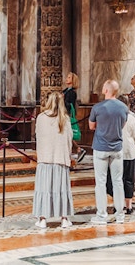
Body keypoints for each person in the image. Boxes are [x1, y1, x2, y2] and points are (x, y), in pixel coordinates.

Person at [89, 79, 128, 225]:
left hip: (100, 147)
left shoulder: (98, 107)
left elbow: (91, 126)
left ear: (106, 90)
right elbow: (123, 125)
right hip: (117, 147)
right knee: (118, 182)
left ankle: (102, 215)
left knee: (101, 182)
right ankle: (120, 215)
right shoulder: (124, 107)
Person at [32, 92, 74, 229]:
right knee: (61, 189)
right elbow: (69, 140)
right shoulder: (65, 119)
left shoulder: (41, 118)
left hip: (45, 158)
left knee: (44, 189)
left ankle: (43, 219)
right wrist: (68, 155)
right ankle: (64, 219)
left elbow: (38, 137)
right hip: (60, 159)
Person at [107, 95, 135, 215]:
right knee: (128, 179)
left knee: (116, 179)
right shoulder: (131, 118)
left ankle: (117, 205)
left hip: (116, 150)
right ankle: (128, 206)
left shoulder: (112, 116)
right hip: (128, 151)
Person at [62, 72, 86, 163]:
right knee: (66, 134)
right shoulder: (65, 91)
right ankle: (79, 149)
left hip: (67, 115)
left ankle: (78, 149)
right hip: (63, 114)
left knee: (67, 134)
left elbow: (68, 105)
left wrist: (62, 99)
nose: (66, 79)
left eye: (69, 77)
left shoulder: (72, 92)